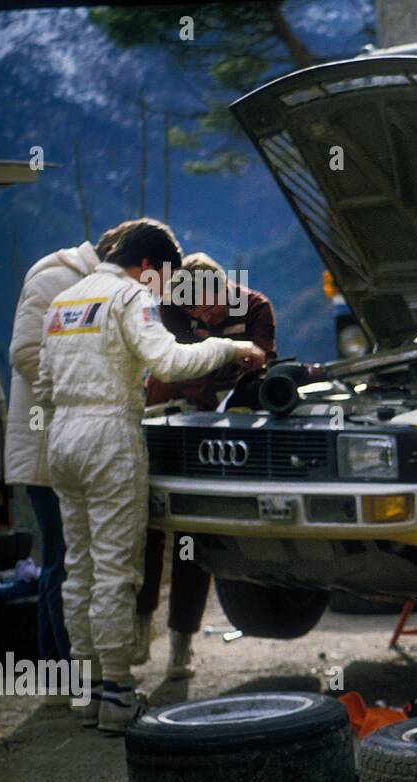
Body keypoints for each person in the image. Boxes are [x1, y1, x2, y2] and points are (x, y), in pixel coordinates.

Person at [35, 220, 266, 733]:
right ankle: (119, 692)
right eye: (164, 280)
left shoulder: (65, 301)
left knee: (80, 569)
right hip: (109, 437)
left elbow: (45, 383)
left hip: (61, 439)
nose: (166, 294)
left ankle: (89, 689)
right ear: (147, 268)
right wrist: (232, 350)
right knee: (117, 569)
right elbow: (170, 359)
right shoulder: (127, 297)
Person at [4, 221, 136, 705]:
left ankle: (61, 676)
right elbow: (24, 353)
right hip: (46, 442)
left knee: (62, 559)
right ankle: (70, 677)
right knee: (64, 560)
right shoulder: (52, 278)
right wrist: (86, 388)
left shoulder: (88, 283)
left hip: (68, 436)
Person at [137, 252, 277, 680]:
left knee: (192, 536)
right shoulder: (175, 307)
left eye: (209, 305)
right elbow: (177, 364)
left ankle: (182, 639)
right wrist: (224, 354)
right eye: (193, 310)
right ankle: (139, 624)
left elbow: (261, 366)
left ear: (227, 288)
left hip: (222, 427)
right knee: (148, 528)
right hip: (171, 419)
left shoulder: (255, 307)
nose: (203, 314)